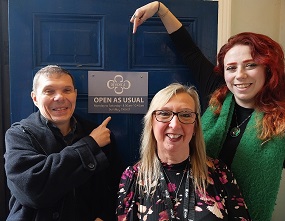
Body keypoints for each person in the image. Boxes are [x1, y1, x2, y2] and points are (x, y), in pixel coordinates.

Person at [129, 2, 285, 221]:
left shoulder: (280, 123)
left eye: (250, 65)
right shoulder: (217, 93)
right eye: (231, 67)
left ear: (268, 68)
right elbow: (188, 50)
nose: (239, 75)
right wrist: (159, 8)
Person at [4, 65, 124, 221]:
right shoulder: (20, 135)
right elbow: (32, 192)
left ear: (75, 94)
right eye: (49, 91)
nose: (59, 97)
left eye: (67, 90)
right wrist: (90, 144)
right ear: (35, 98)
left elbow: (117, 186)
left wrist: (105, 216)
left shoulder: (99, 133)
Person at [116, 83, 251, 220]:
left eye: (186, 115)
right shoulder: (133, 177)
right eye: (164, 113)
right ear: (152, 123)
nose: (174, 125)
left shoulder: (219, 173)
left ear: (195, 126)